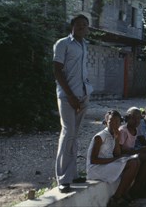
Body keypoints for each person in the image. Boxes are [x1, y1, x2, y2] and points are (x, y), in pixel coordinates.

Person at [53, 14, 93, 193]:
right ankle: (62, 179)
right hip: (68, 96)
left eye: (85, 25)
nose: (82, 28)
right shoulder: (62, 44)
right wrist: (70, 95)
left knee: (75, 136)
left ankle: (73, 174)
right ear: (72, 26)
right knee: (67, 133)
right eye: (79, 25)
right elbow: (57, 71)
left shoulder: (85, 45)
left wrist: (84, 93)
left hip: (83, 95)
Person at [87, 110, 140, 207]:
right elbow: (93, 160)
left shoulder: (114, 135)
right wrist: (114, 160)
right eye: (111, 121)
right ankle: (116, 198)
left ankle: (124, 193)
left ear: (120, 123)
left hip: (107, 164)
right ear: (106, 121)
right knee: (132, 164)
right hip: (97, 168)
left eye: (117, 122)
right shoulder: (100, 136)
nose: (114, 124)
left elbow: (117, 153)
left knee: (136, 161)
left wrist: (116, 139)